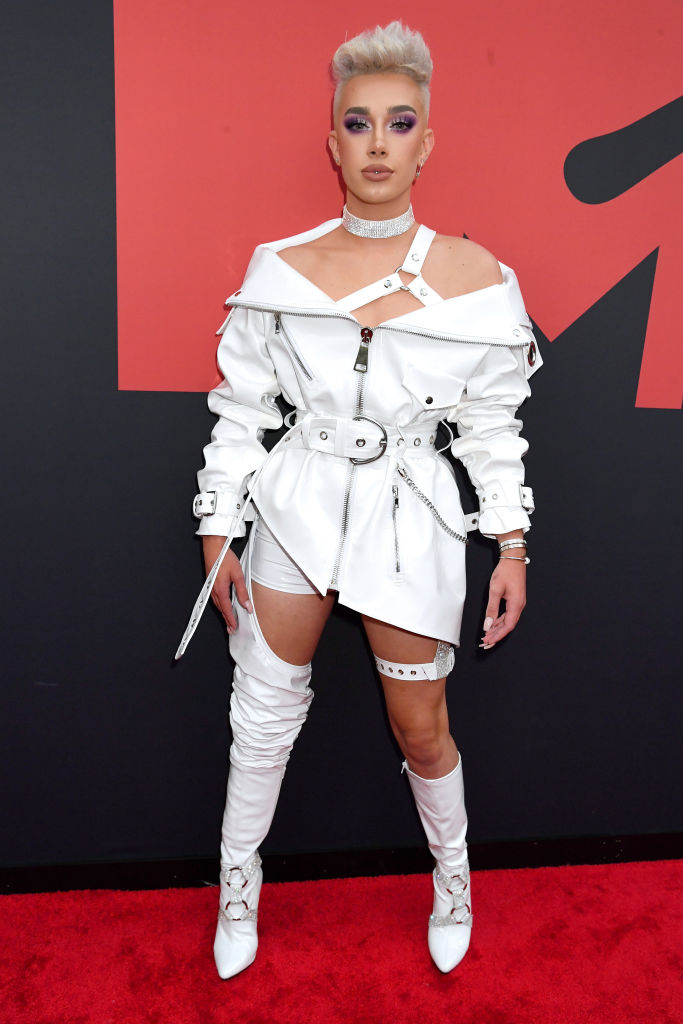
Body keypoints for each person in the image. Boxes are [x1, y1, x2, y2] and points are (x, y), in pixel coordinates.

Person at [176, 21, 541, 979]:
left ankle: (453, 879)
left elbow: (492, 429)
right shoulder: (279, 270)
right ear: (331, 142)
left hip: (409, 521)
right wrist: (219, 519)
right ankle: (236, 884)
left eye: (399, 121)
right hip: (291, 512)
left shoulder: (477, 281)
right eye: (358, 123)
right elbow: (242, 408)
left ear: (428, 142)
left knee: (421, 728)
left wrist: (510, 541)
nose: (378, 143)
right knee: (259, 718)